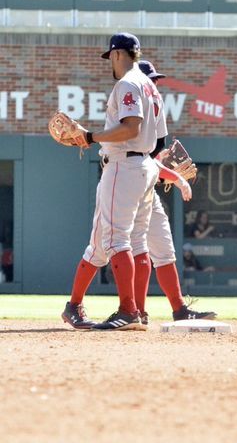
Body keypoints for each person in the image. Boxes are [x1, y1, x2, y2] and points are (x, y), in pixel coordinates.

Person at [60, 32, 161, 331]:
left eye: (111, 57)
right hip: (144, 165)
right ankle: (136, 311)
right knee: (136, 241)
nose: (111, 62)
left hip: (124, 166)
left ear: (117, 54)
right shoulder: (150, 86)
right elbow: (154, 136)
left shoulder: (128, 83)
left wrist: (91, 136)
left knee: (116, 240)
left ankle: (128, 310)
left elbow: (130, 128)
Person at [133, 60, 215, 324]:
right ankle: (134, 311)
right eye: (151, 80)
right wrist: (176, 177)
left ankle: (179, 309)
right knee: (114, 251)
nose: (155, 84)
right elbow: (141, 161)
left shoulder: (154, 112)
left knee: (164, 252)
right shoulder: (132, 112)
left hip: (147, 190)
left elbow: (150, 161)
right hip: (127, 191)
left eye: (156, 80)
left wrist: (162, 161)